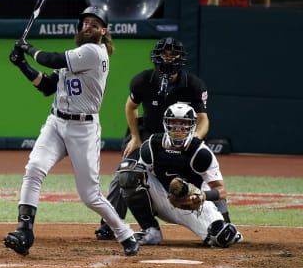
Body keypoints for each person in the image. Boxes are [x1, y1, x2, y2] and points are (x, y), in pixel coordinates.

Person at [3, 6, 139, 257]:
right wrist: (21, 64)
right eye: (85, 22)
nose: (88, 26)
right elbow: (46, 86)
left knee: (89, 195)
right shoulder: (76, 54)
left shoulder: (94, 52)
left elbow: (50, 59)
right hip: (56, 123)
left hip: (83, 129)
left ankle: (124, 233)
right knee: (34, 168)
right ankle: (24, 230)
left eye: (94, 24)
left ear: (103, 31)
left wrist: (28, 48)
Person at [95, 37, 232, 243]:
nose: (168, 58)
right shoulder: (143, 80)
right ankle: (110, 223)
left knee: (204, 172)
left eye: (172, 54)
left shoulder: (194, 85)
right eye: (164, 54)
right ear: (156, 57)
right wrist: (135, 136)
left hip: (182, 137)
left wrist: (193, 140)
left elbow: (203, 119)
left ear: (181, 58)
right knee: (126, 172)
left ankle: (224, 219)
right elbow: (130, 107)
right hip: (149, 136)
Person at [117, 102, 243, 247]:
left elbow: (221, 190)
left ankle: (220, 225)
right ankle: (150, 230)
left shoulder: (201, 153)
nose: (178, 128)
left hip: (193, 204)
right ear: (165, 124)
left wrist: (202, 196)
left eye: (183, 123)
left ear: (192, 125)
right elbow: (136, 177)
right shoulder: (152, 145)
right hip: (162, 198)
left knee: (224, 237)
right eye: (173, 123)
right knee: (128, 173)